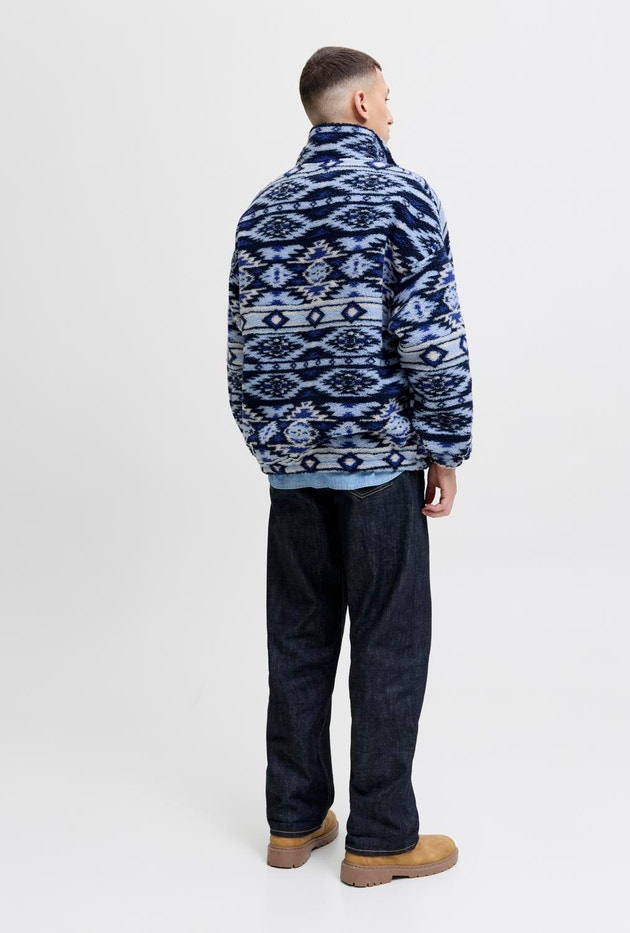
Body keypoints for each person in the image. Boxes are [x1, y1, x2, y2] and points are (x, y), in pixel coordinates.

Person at [227, 45, 473, 887]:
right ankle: (381, 836)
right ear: (363, 104)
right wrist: (445, 445)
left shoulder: (262, 210)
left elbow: (242, 350)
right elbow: (431, 339)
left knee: (297, 639)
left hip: (293, 476)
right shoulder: (403, 197)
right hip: (378, 470)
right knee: (388, 643)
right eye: (388, 98)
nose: (393, 111)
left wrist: (275, 446)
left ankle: (293, 821)